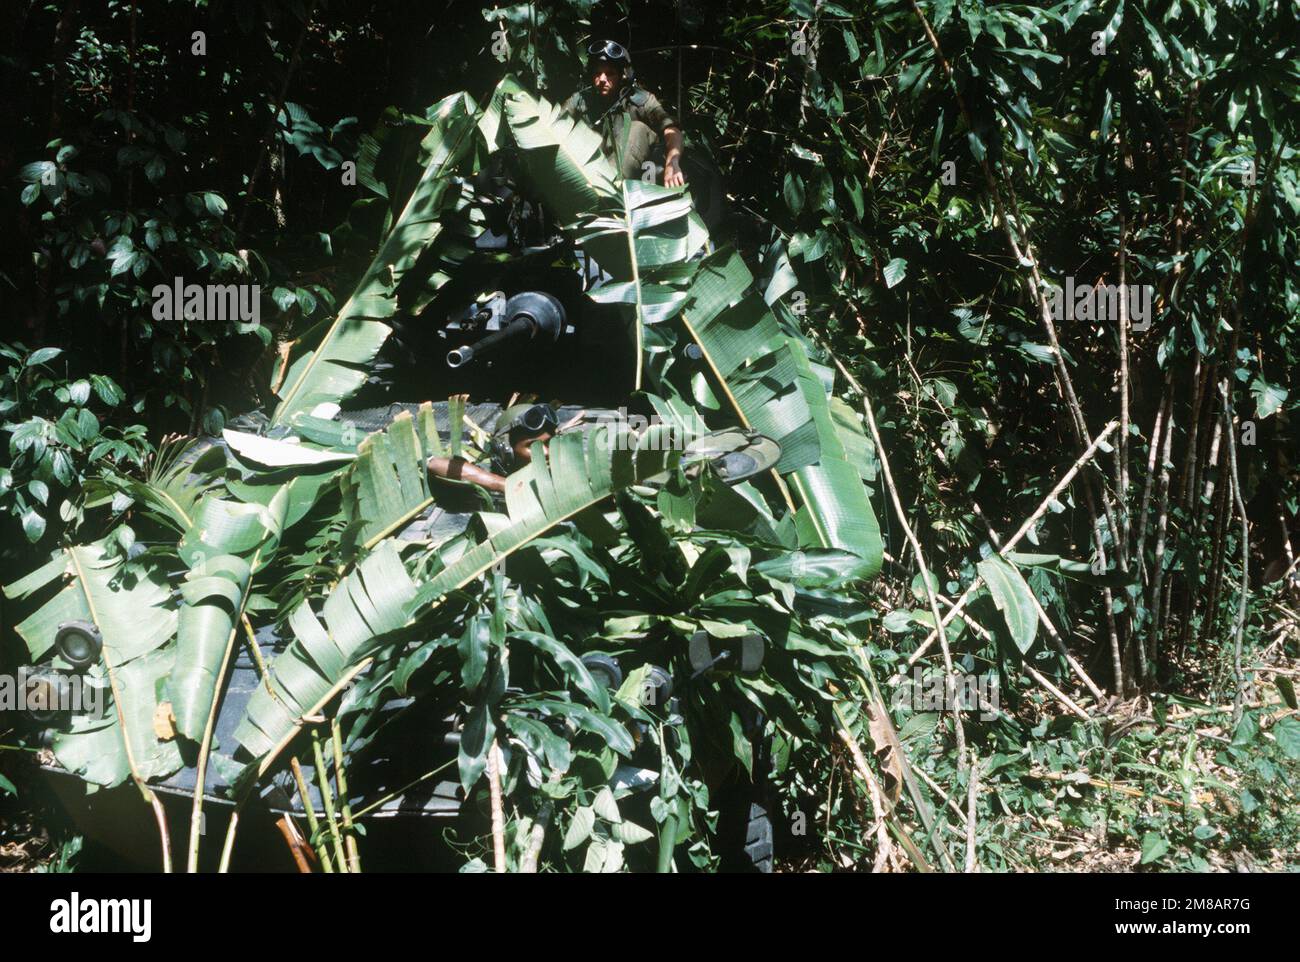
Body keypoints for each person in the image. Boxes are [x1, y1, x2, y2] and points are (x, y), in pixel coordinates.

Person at [562, 39, 686, 187]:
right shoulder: (580, 100)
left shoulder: (641, 100)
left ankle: (608, 190)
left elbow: (672, 130)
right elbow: (553, 125)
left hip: (633, 173)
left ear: (623, 76)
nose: (602, 79)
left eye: (610, 73)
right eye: (597, 73)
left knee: (637, 128)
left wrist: (673, 161)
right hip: (587, 171)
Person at [426, 402, 558, 494]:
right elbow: (435, 464)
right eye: (533, 446)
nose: (546, 452)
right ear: (507, 449)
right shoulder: (496, 469)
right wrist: (502, 484)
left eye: (548, 443)